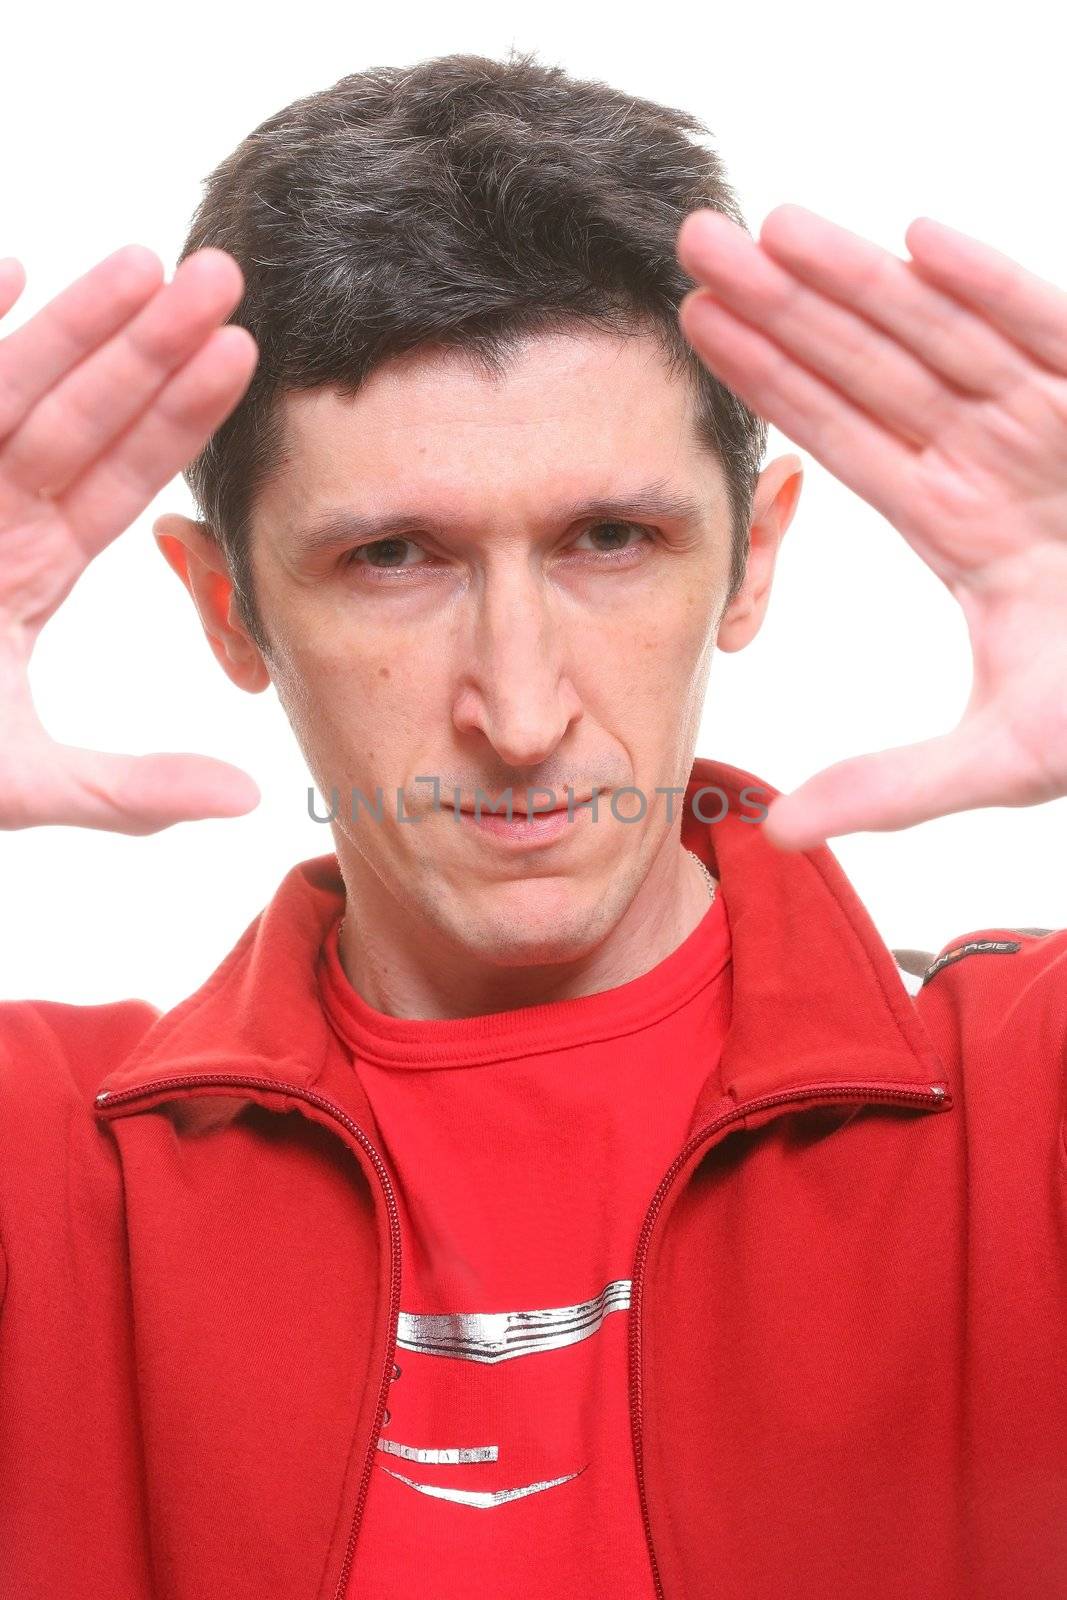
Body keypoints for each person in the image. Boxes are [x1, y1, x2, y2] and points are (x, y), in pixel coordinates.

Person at [1, 48, 1065, 1600]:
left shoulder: (1023, 1100)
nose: (520, 708)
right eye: (394, 557)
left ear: (753, 562)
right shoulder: (52, 1170)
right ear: (228, 607)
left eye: (611, 540)